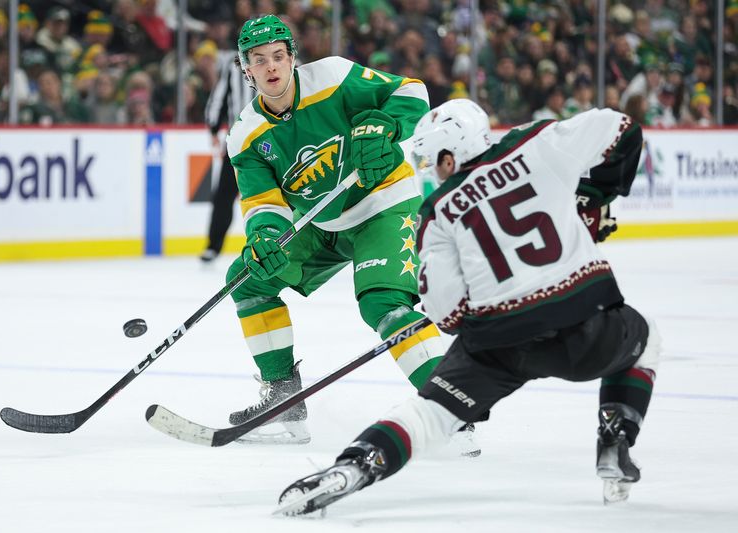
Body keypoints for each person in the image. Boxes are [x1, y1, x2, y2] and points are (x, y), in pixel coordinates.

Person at [277, 99, 660, 514]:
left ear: (449, 154)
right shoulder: (535, 143)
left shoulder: (437, 212)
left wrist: (481, 316)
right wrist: (593, 197)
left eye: (431, 160)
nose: (430, 171)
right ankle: (614, 440)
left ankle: (354, 466)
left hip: (499, 343)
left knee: (430, 414)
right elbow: (621, 127)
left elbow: (446, 314)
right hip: (583, 325)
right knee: (646, 336)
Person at [223, 14, 466, 447]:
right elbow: (263, 203)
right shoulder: (245, 135)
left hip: (384, 204)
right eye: (260, 60)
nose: (272, 67)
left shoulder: (333, 76)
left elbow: (411, 91)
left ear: (293, 58)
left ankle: (452, 407)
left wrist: (388, 125)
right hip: (323, 223)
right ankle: (285, 403)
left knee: (384, 303)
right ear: (247, 70)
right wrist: (264, 236)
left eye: (279, 56)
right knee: (248, 278)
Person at [199, 45, 255, 263]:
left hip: (273, 140)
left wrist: (213, 126)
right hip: (238, 143)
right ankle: (213, 245)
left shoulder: (289, 64)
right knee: (223, 195)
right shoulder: (235, 66)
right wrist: (213, 127)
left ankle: (294, 243)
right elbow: (219, 98)